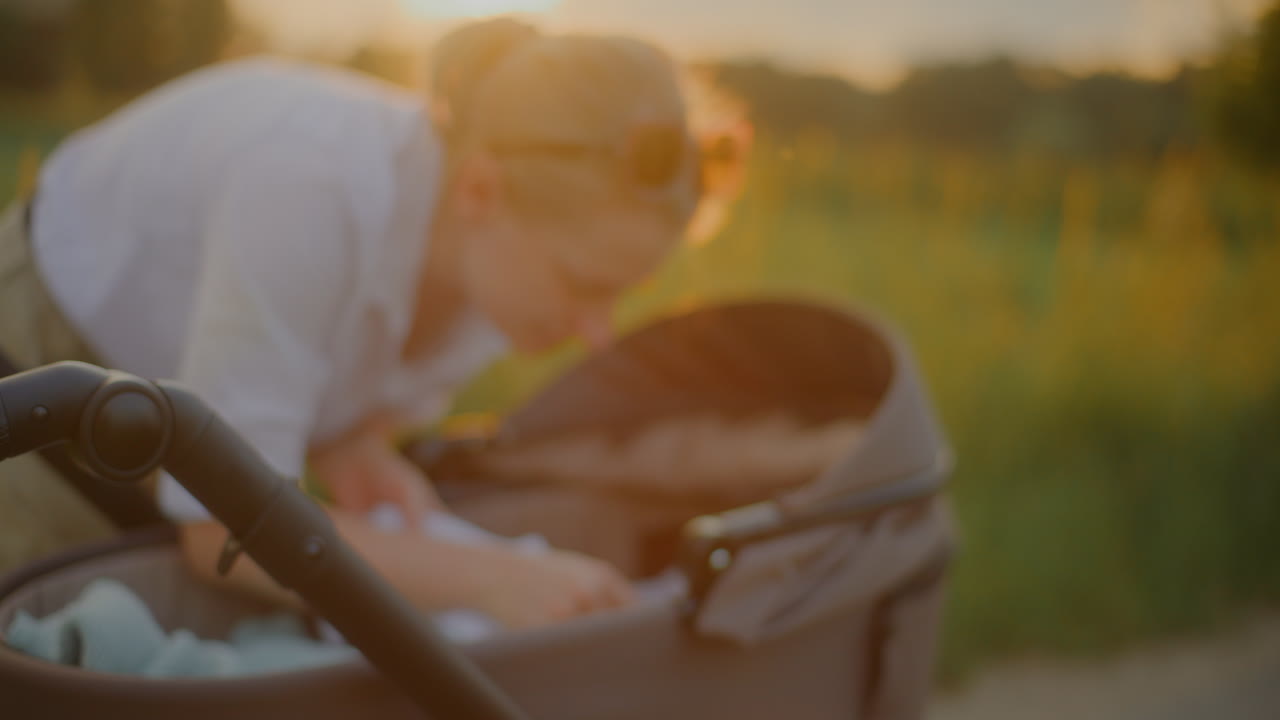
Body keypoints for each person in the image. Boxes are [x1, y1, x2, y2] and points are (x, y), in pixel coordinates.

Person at [0, 17, 705, 630]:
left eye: (622, 293)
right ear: (480, 189)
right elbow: (222, 531)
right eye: (584, 285)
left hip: (163, 411)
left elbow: (324, 389)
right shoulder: (308, 190)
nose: (599, 330)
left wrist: (348, 445)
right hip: (40, 365)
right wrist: (493, 577)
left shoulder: (497, 279)